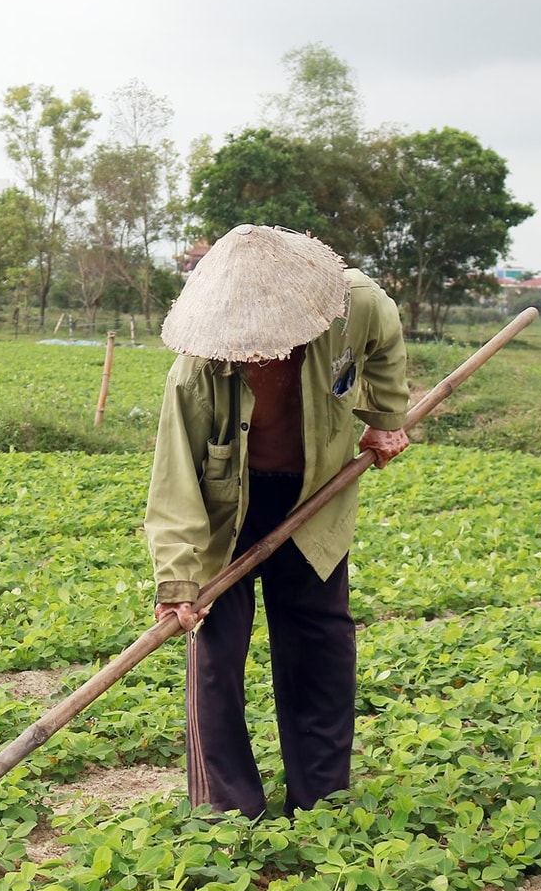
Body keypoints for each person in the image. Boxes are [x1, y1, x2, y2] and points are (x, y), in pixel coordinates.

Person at [145, 225, 409, 820]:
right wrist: (179, 582)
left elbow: (385, 343)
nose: (257, 348)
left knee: (321, 647)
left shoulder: (353, 306)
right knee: (215, 658)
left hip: (316, 500)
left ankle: (321, 801)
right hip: (226, 515)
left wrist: (384, 415)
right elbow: (175, 481)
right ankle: (228, 811)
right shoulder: (198, 372)